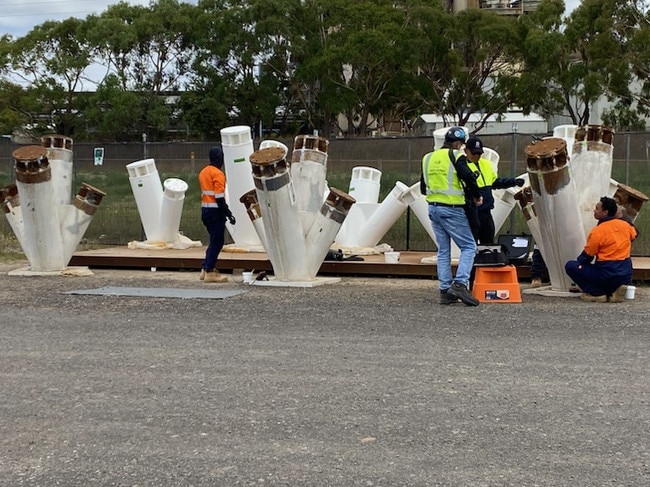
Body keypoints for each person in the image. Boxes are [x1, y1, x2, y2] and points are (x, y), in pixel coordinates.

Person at [420, 126, 483, 306]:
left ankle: (445, 291)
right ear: (458, 143)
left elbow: (424, 188)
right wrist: (476, 195)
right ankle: (460, 284)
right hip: (452, 208)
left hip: (433, 208)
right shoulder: (456, 156)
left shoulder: (427, 158)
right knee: (469, 246)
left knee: (443, 250)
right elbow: (469, 177)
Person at [565, 196, 638, 303]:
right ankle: (614, 291)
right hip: (625, 275)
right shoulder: (626, 226)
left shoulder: (598, 231)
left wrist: (579, 266)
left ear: (605, 212)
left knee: (571, 266)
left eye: (597, 209)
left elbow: (586, 257)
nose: (594, 211)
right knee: (624, 260)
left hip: (606, 274)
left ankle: (597, 293)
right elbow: (635, 233)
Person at [463, 136, 525, 244]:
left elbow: (495, 183)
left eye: (479, 153)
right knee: (470, 245)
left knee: (488, 244)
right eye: (474, 153)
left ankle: (486, 260)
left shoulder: (486, 164)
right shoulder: (462, 166)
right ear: (466, 151)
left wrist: (513, 181)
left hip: (486, 211)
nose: (477, 156)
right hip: (472, 212)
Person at [198, 146, 236, 283]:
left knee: (213, 240)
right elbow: (219, 197)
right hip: (215, 212)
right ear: (220, 159)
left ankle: (205, 268)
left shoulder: (203, 172)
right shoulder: (218, 174)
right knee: (217, 241)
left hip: (205, 211)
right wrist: (228, 213)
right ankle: (210, 271)